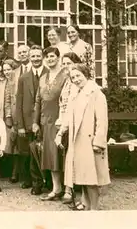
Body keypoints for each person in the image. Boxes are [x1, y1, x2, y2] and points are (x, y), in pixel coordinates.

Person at [55, 64, 110, 211]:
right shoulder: (75, 94)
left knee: (92, 178)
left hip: (90, 141)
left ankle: (94, 208)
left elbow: (102, 121)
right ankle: (86, 204)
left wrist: (98, 142)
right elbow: (68, 117)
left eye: (78, 76)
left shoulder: (96, 94)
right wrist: (60, 133)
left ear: (86, 75)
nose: (76, 79)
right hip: (76, 141)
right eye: (73, 77)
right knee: (82, 175)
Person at [32, 47, 68, 201]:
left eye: (52, 56)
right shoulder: (43, 77)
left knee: (63, 154)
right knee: (50, 155)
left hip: (60, 120)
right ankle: (56, 187)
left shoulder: (66, 75)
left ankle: (68, 190)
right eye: (47, 57)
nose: (49, 59)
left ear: (58, 57)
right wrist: (35, 122)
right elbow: (38, 101)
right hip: (45, 121)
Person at [14, 45, 48, 194]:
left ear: (43, 57)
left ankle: (46, 181)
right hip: (27, 121)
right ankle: (32, 181)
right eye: (33, 56)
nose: (35, 59)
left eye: (38, 56)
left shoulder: (49, 74)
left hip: (45, 120)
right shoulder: (23, 78)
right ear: (29, 57)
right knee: (28, 152)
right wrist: (20, 125)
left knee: (45, 152)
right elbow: (19, 103)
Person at [58, 52, 82, 204]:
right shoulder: (66, 82)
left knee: (73, 156)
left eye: (69, 63)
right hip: (64, 121)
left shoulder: (76, 82)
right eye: (64, 63)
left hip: (75, 123)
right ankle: (68, 187)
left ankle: (70, 189)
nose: (66, 66)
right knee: (67, 156)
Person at [0, 59, 19, 182]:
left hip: (12, 116)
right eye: (4, 70)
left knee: (14, 144)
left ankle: (15, 172)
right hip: (2, 116)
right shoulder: (3, 82)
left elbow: (11, 101)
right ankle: (5, 170)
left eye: (9, 69)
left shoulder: (15, 82)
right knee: (4, 144)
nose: (7, 72)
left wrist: (9, 117)